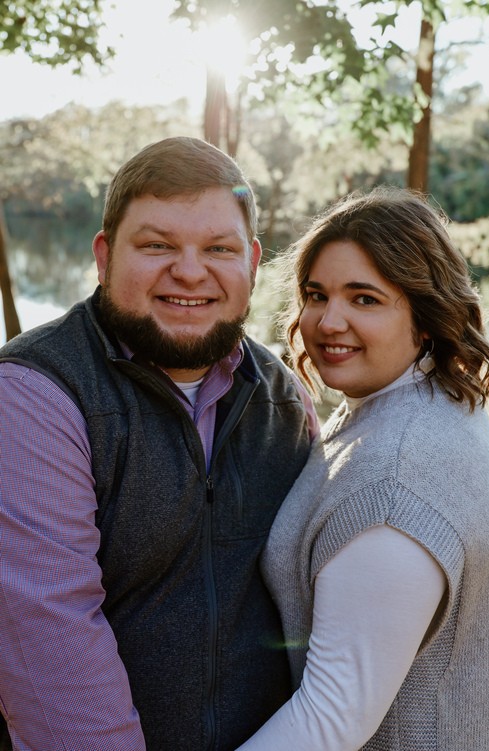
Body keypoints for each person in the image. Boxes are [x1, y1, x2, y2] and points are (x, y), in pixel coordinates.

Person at [0, 136, 319, 751]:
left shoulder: (284, 398)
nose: (191, 271)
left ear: (253, 261)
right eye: (157, 245)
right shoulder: (33, 395)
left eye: (219, 248)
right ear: (104, 256)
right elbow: (53, 651)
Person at [237, 186, 489, 751]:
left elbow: (331, 718)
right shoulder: (431, 404)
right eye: (317, 295)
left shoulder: (395, 482)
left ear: (425, 318)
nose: (329, 321)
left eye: (365, 299)